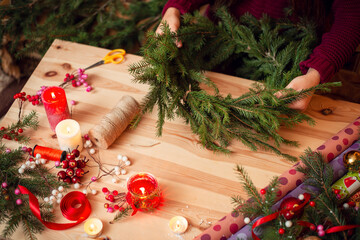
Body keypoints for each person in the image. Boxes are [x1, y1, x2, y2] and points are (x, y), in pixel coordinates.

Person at [155, 0, 360, 111]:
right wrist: (175, 8)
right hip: (218, 43)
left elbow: (352, 17)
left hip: (293, 61)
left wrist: (315, 74)